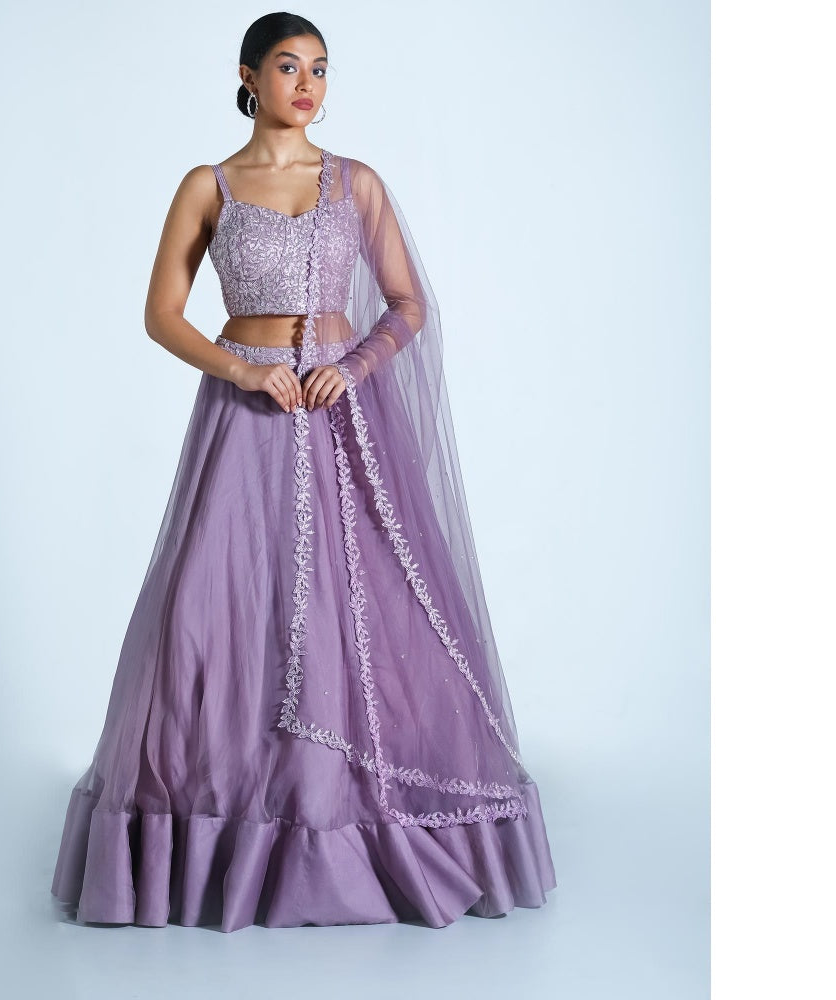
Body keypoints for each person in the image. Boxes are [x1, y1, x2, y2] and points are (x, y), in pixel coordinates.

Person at [51, 11, 557, 932]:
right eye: (289, 67)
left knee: (355, 606)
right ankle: (223, 821)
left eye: (321, 69)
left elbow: (407, 304)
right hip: (243, 417)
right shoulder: (208, 185)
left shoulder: (356, 183)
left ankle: (336, 811)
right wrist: (243, 370)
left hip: (339, 419)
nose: (308, 85)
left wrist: (353, 366)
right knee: (214, 612)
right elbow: (163, 314)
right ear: (248, 76)